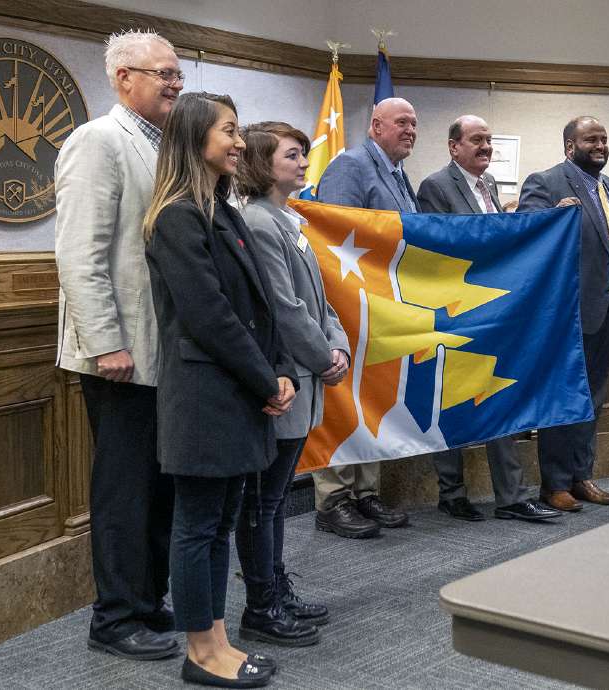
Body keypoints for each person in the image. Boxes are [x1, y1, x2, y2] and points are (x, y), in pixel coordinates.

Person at [144, 92, 296, 688]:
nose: (239, 142)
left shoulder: (221, 208)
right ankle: (200, 651)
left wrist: (277, 370)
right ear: (194, 138)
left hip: (238, 391)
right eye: (229, 131)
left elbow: (256, 306)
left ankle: (219, 637)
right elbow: (208, 317)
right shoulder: (177, 215)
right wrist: (266, 377)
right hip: (207, 396)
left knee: (224, 518)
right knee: (198, 525)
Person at [53, 29, 180, 661]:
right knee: (125, 489)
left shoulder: (164, 146)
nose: (174, 83)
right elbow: (79, 254)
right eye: (161, 73)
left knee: (159, 487)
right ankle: (115, 617)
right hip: (120, 355)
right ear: (123, 78)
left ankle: (149, 601)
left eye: (176, 73)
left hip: (162, 354)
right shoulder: (98, 140)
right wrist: (106, 342)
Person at [233, 121, 350, 644]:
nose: (304, 163)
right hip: (287, 377)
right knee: (263, 500)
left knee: (277, 499)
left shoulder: (288, 217)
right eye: (293, 155)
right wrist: (322, 355)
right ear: (260, 162)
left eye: (303, 154)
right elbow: (283, 307)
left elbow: (319, 301)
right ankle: (262, 603)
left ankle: (276, 590)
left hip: (308, 372)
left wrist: (337, 344)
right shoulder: (259, 222)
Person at [415, 115, 560, 523]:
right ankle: (452, 493)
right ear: (453, 147)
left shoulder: (491, 186)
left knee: (500, 398)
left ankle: (511, 497)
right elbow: (438, 244)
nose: (486, 147)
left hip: (495, 311)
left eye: (489, 140)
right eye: (476, 139)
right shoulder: (436, 186)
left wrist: (547, 220)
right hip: (455, 313)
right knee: (450, 403)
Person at [311, 97, 418, 538]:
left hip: (383, 308)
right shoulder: (349, 166)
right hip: (350, 306)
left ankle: (365, 493)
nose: (411, 130)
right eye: (402, 123)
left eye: (414, 124)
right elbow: (333, 237)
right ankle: (333, 498)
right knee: (344, 397)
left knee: (372, 397)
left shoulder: (399, 174)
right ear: (375, 125)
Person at [517, 116, 609, 513]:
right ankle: (554, 485)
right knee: (561, 400)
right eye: (591, 139)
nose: (600, 145)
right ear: (570, 146)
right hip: (566, 315)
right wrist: (553, 215)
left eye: (604, 138)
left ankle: (582, 476)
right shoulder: (546, 182)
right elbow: (525, 231)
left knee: (592, 400)